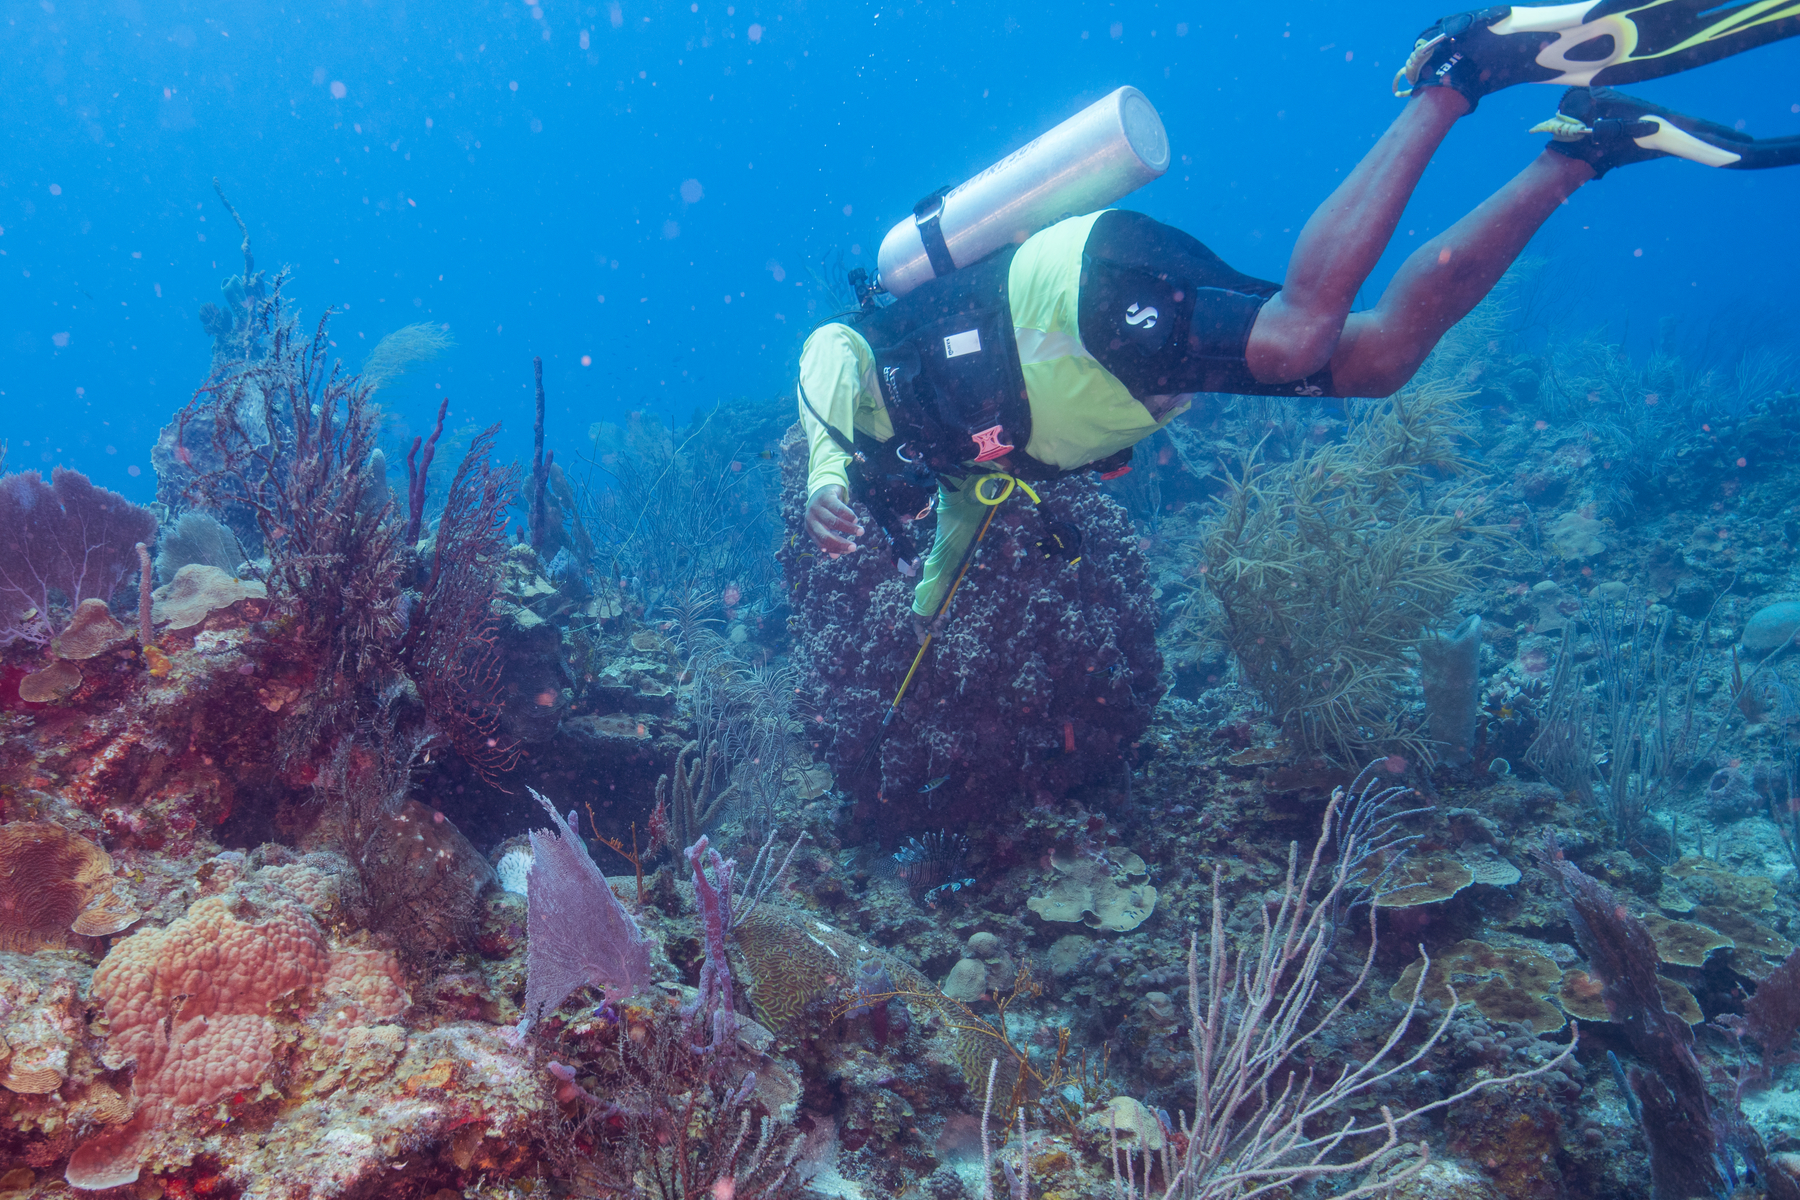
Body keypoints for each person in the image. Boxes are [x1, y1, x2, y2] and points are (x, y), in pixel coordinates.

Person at [797, 2, 1799, 643]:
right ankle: (1582, 149)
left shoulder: (858, 387)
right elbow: (955, 544)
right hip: (1118, 351)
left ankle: (1457, 71)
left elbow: (825, 361)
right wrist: (919, 622)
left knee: (1294, 332)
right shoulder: (953, 468)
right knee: (1377, 360)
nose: (907, 515)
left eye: (879, 504)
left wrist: (825, 477)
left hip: (1069, 293)